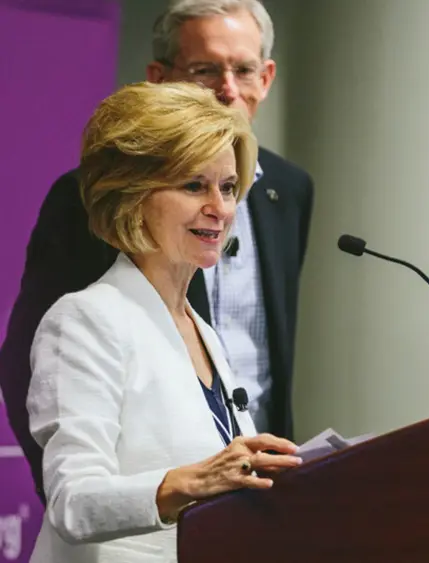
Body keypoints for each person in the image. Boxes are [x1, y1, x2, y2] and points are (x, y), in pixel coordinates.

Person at [0, 0, 313, 504]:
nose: (227, 89)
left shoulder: (288, 192)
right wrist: (96, 496)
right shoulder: (83, 312)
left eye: (229, 187)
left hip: (239, 512)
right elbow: (73, 489)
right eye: (206, 69)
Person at [26, 81, 303, 563]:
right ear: (132, 195)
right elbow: (73, 502)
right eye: (194, 185)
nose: (219, 208)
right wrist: (194, 480)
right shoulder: (84, 320)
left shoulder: (202, 331)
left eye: (229, 187)